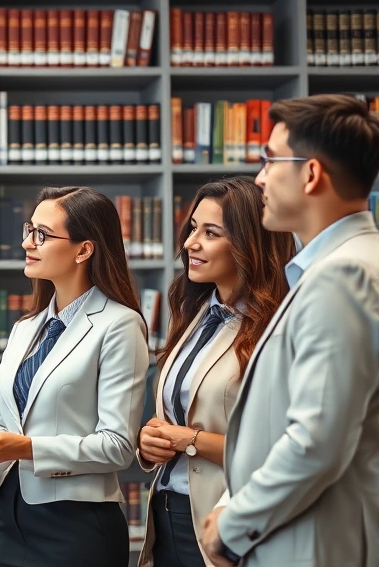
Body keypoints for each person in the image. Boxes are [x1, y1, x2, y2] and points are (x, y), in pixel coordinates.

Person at [199, 94, 379, 567]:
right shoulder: (334, 268)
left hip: (310, 543)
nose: (259, 177)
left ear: (312, 174)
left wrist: (233, 527)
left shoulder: (344, 275)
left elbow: (318, 440)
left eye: (271, 160)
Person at [0, 186, 149, 567]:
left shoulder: (120, 325)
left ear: (83, 249)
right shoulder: (26, 328)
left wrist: (24, 448)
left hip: (74, 524)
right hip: (4, 516)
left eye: (41, 234)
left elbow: (117, 445)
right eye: (29, 229)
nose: (27, 242)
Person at [135, 176, 295, 567]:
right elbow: (175, 415)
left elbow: (282, 451)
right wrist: (149, 441)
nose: (191, 243)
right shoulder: (198, 313)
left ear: (248, 244)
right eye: (193, 228)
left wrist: (189, 439)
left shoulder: (279, 328)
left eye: (211, 232)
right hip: (168, 513)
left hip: (230, 521)